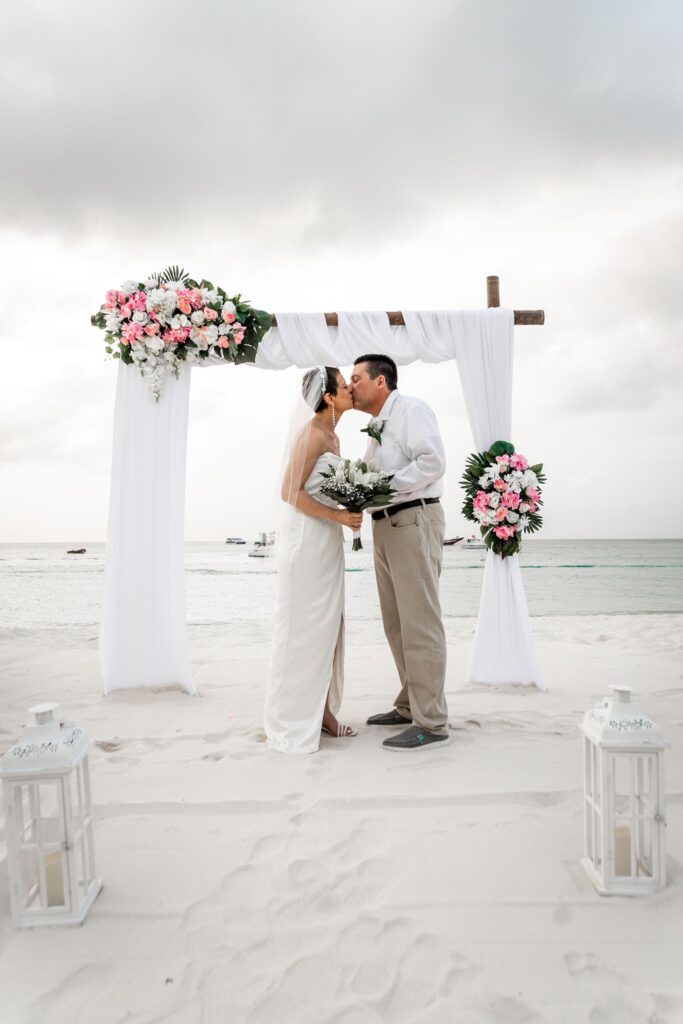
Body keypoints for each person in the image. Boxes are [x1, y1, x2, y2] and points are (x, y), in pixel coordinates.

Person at [349, 354, 449, 751]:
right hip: (386, 526)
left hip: (413, 520)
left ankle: (432, 721)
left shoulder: (410, 410)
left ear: (380, 381)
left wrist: (380, 487)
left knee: (420, 622)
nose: (350, 385)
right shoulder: (377, 424)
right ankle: (410, 704)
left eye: (356, 378)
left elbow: (433, 462)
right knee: (397, 624)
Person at [264, 366, 362, 753]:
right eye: (344, 385)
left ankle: (322, 710)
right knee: (305, 628)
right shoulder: (311, 434)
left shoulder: (334, 435)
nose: (351, 388)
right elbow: (289, 491)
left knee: (329, 627)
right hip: (306, 542)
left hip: (326, 541)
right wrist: (339, 515)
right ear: (329, 397)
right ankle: (295, 715)